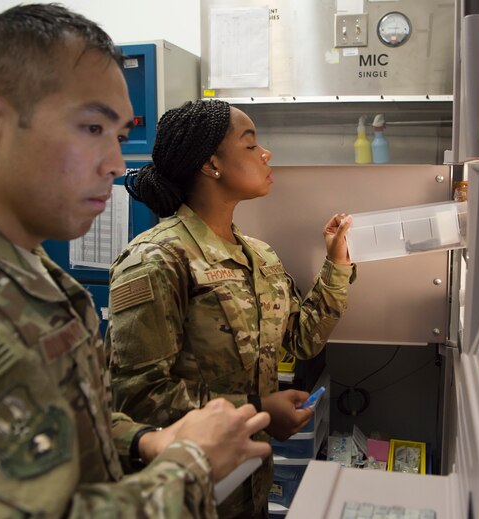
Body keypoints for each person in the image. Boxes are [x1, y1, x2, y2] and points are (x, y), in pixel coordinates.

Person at [0, 5, 271, 518]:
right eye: (91, 128)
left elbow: (71, 428)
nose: (117, 165)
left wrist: (148, 441)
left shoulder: (33, 276)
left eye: (120, 136)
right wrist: (194, 464)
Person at [107, 99, 356, 518]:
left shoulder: (258, 255)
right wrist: (258, 409)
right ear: (210, 165)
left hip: (251, 487)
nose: (266, 153)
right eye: (250, 144)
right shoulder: (157, 259)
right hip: (185, 496)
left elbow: (303, 339)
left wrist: (337, 263)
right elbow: (138, 398)